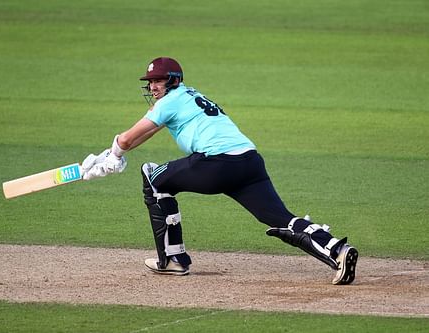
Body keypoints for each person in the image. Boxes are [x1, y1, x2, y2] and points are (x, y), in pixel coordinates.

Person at [81, 57, 358, 285]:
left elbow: (130, 138)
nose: (153, 86)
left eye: (158, 80)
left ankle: (172, 260)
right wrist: (114, 153)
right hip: (249, 162)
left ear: (173, 80)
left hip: (217, 163)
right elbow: (148, 132)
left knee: (153, 177)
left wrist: (115, 154)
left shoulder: (170, 101)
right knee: (279, 218)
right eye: (150, 81)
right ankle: (338, 251)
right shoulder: (190, 96)